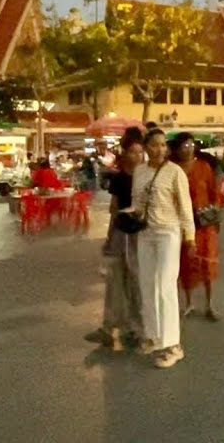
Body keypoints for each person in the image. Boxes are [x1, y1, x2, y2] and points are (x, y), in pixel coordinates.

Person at [131, 128, 195, 369]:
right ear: (146, 148)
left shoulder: (174, 172)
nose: (159, 149)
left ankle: (173, 345)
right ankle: (153, 336)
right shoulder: (139, 172)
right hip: (145, 233)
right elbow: (136, 202)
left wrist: (190, 237)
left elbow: (185, 206)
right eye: (154, 145)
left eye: (162, 145)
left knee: (165, 285)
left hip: (168, 232)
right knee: (147, 284)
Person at [87, 130, 145, 351]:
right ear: (125, 152)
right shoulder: (121, 177)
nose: (137, 155)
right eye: (133, 151)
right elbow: (113, 209)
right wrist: (110, 238)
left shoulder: (146, 176)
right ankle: (109, 326)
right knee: (115, 282)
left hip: (139, 234)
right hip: (122, 233)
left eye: (140, 151)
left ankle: (137, 328)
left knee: (137, 283)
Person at [173, 133, 224, 322]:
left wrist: (215, 212)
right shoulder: (174, 169)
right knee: (186, 263)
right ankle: (188, 303)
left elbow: (214, 192)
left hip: (204, 225)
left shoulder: (203, 167)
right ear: (177, 149)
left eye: (190, 145)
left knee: (207, 262)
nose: (187, 149)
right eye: (183, 146)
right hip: (182, 224)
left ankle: (210, 304)